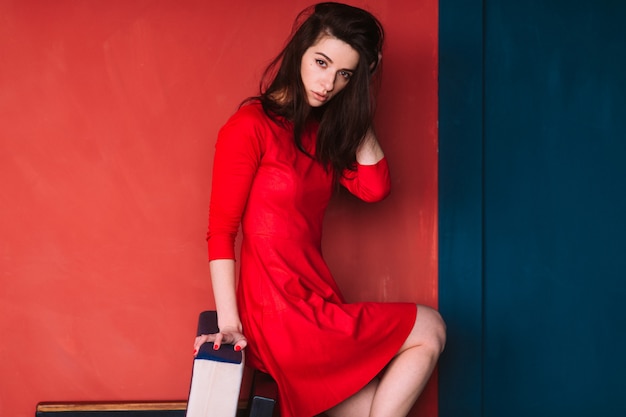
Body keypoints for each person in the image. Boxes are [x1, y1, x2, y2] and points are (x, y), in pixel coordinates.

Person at [193, 2, 446, 416]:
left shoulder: (320, 134)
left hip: (317, 302)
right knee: (430, 327)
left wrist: (361, 96)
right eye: (322, 62)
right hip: (279, 315)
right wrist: (230, 324)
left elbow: (374, 188)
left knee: (372, 410)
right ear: (300, 52)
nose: (328, 83)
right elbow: (221, 230)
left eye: (344, 74)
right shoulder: (249, 126)